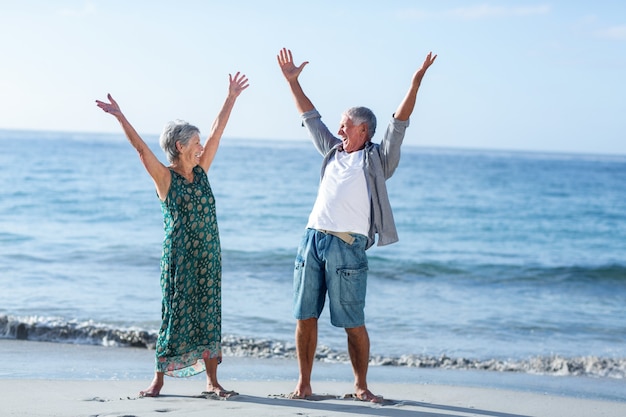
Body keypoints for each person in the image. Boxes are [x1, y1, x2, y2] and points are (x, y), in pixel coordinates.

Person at [277, 48, 436, 402]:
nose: (339, 130)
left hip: (347, 246)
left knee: (352, 321)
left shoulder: (379, 159)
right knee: (305, 316)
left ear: (363, 130)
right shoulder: (332, 151)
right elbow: (310, 117)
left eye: (345, 125)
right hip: (312, 240)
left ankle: (361, 386)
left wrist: (415, 82)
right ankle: (304, 385)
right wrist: (293, 82)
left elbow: (399, 124)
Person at [95, 72, 249, 398]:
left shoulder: (202, 171)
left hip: (209, 256)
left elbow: (218, 132)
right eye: (195, 144)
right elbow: (140, 149)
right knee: (174, 314)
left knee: (209, 315)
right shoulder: (165, 179)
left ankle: (212, 381)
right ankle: (158, 380)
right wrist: (121, 116)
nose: (202, 147)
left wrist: (231, 97)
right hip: (179, 259)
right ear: (179, 147)